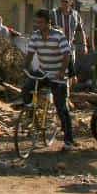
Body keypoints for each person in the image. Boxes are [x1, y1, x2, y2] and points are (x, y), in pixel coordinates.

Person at [21, 9, 75, 150]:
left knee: (61, 107)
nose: (38, 25)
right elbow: (30, 54)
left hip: (57, 75)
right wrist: (25, 67)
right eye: (36, 22)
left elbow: (67, 55)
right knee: (26, 89)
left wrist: (61, 72)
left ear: (48, 23)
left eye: (41, 22)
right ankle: (31, 115)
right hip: (43, 72)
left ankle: (68, 140)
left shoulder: (59, 36)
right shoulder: (35, 36)